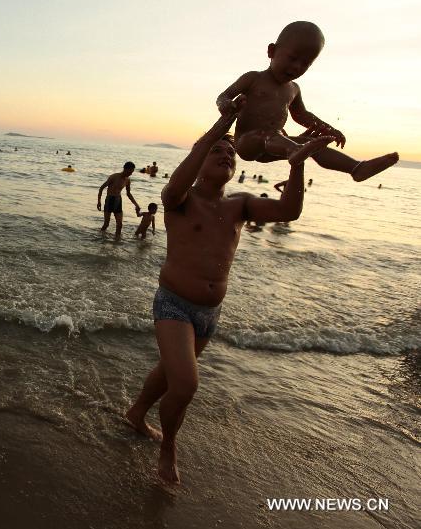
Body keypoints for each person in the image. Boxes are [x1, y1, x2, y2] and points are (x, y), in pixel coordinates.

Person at [124, 111, 316, 484]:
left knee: (170, 374)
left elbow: (289, 211)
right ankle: (168, 450)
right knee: (186, 384)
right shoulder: (180, 199)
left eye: (231, 152)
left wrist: (295, 166)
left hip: (209, 313)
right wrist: (219, 127)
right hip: (173, 304)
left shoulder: (240, 205)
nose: (227, 155)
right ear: (200, 160)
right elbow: (176, 182)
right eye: (217, 151)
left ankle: (135, 414)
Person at [216, 21, 398, 181]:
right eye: (292, 58)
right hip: (248, 143)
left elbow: (301, 115)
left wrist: (327, 129)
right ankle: (296, 150)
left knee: (312, 145)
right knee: (278, 139)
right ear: (272, 51)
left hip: (279, 144)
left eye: (305, 63)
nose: (296, 66)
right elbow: (224, 96)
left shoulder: (294, 89)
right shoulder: (253, 78)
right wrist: (226, 105)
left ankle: (356, 168)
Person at [97, 162, 140, 239]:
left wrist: (136, 204)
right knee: (106, 224)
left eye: (132, 172)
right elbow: (101, 188)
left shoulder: (128, 180)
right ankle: (100, 238)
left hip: (118, 201)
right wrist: (99, 201)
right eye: (130, 172)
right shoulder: (114, 177)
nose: (131, 174)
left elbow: (128, 194)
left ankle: (116, 243)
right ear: (125, 169)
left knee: (119, 225)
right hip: (109, 200)